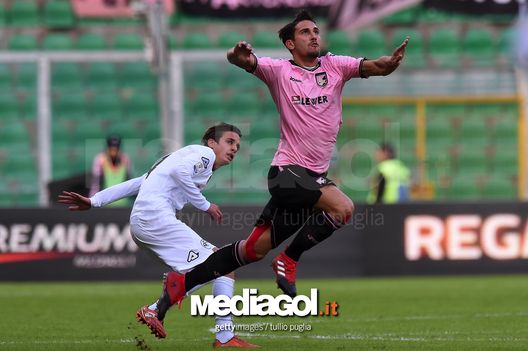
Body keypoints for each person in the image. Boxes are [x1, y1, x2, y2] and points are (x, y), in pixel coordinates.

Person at [156, 9, 409, 310]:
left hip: (311, 180)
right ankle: (289, 260)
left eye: (316, 30)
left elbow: (376, 66)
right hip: (287, 174)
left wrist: (389, 64)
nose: (314, 35)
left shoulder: (336, 66)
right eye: (305, 32)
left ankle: (176, 288)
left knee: (251, 250)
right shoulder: (279, 71)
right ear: (290, 43)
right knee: (343, 208)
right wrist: (235, 54)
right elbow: (243, 60)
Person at [58, 123, 258, 348]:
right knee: (222, 263)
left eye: (237, 146)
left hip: (142, 223)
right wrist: (205, 205)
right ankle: (161, 311)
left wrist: (95, 201)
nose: (234, 149)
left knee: (218, 269)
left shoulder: (179, 157)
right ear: (212, 143)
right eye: (229, 142)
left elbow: (136, 183)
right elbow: (179, 172)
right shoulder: (204, 155)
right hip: (155, 218)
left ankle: (220, 335)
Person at [89, 133, 132, 207]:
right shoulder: (100, 159)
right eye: (111, 148)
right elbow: (96, 182)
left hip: (123, 203)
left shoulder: (125, 159)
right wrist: (92, 201)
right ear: (107, 147)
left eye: (116, 148)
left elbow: (128, 180)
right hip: (105, 203)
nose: (114, 151)